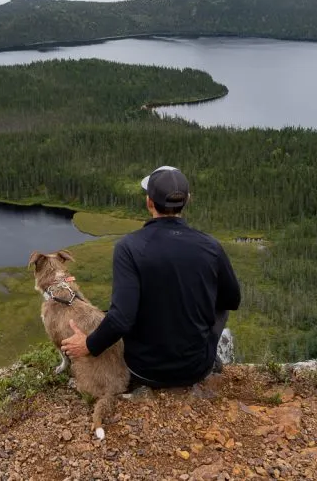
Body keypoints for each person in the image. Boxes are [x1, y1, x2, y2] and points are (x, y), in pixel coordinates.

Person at [61, 165, 241, 389]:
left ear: (149, 202)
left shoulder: (129, 247)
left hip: (144, 370)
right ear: (187, 200)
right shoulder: (211, 246)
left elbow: (121, 319)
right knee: (221, 306)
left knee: (121, 308)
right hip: (197, 369)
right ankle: (205, 355)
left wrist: (88, 345)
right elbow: (232, 300)